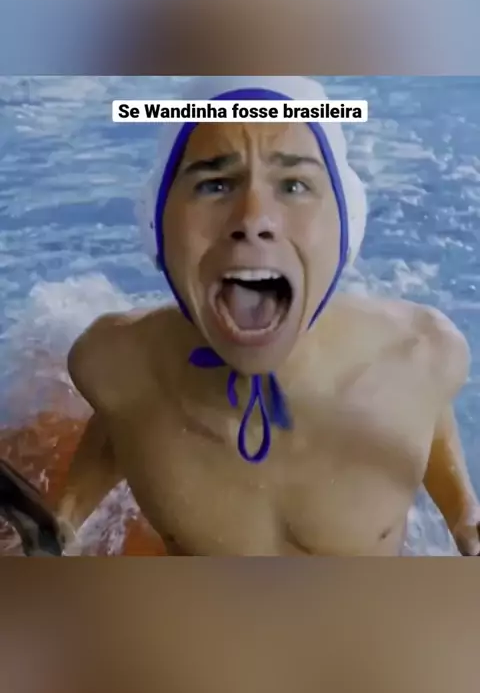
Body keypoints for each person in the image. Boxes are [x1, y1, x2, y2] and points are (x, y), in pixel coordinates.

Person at [56, 76, 480, 556]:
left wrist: (463, 511)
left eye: (294, 185)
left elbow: (427, 405)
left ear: (348, 225)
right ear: (156, 227)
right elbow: (120, 418)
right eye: (215, 184)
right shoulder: (115, 364)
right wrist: (67, 512)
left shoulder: (420, 353)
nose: (253, 218)